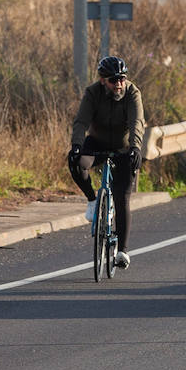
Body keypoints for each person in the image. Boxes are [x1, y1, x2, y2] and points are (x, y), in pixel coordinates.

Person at [68, 55, 145, 269]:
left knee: (122, 196)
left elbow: (136, 121)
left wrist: (135, 147)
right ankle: (93, 199)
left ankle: (122, 251)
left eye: (121, 79)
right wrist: (76, 145)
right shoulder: (92, 93)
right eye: (113, 80)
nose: (119, 84)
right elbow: (81, 121)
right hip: (97, 143)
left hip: (123, 146)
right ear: (103, 80)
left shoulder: (132, 92)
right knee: (76, 162)